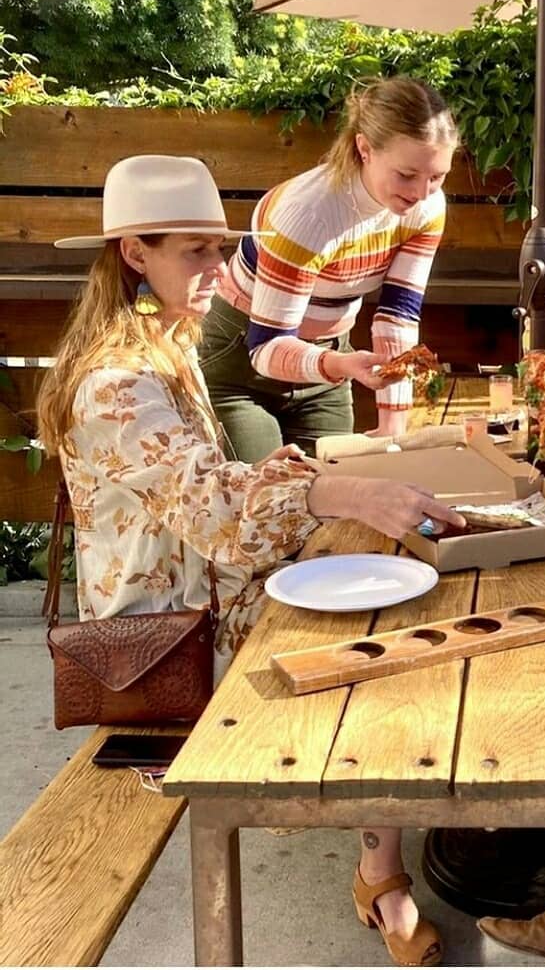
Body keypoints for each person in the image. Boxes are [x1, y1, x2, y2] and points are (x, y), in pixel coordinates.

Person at [36, 155, 464, 968]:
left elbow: (214, 489)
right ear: (136, 254)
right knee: (381, 651)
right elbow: (216, 516)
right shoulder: (115, 382)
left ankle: (386, 863)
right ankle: (386, 872)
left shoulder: (165, 346)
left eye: (217, 248)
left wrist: (328, 473)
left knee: (389, 604)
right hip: (169, 655)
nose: (217, 268)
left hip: (215, 604)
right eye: (194, 251)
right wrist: (337, 494)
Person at [199, 76, 457, 462]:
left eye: (437, 177)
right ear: (365, 148)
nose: (422, 192)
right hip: (242, 362)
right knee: (265, 499)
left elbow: (396, 319)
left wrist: (393, 423)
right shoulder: (310, 215)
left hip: (330, 361)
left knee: (335, 497)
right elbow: (266, 346)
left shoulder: (427, 208)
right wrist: (339, 366)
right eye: (406, 175)